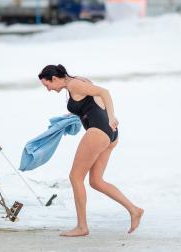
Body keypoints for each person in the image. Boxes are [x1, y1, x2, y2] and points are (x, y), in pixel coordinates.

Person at [38, 64, 143, 237]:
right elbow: (93, 104)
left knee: (75, 177)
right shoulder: (77, 81)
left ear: (54, 79)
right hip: (109, 134)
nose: (48, 89)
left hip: (99, 131)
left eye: (47, 85)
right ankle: (134, 210)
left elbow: (104, 93)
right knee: (96, 181)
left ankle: (82, 227)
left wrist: (110, 117)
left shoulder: (74, 85)